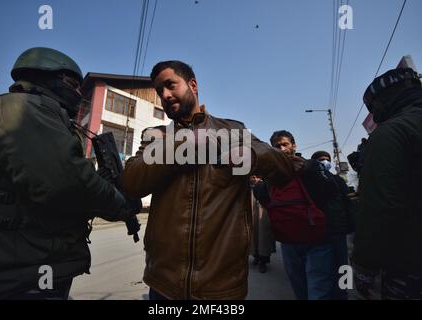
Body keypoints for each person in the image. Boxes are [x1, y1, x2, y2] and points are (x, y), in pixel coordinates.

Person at [121, 60, 298, 299]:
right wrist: (184, 145)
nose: (165, 94)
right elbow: (131, 183)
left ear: (193, 85)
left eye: (170, 85)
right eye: (159, 90)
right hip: (163, 284)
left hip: (222, 286)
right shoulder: (156, 137)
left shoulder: (231, 131)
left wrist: (249, 156)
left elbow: (282, 167)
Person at [0, 47, 140, 299]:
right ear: (44, 76)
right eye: (72, 84)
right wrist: (122, 205)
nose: (77, 93)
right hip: (15, 274)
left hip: (27, 266)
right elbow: (67, 182)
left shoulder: (36, 113)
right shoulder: (23, 109)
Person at [352, 67, 422, 300]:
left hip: (409, 264)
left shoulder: (391, 132)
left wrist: (364, 265)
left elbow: (379, 206)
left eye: (373, 106)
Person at [267, 130, 340, 300]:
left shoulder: (311, 165)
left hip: (317, 240)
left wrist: (308, 170)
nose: (282, 149)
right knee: (300, 289)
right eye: (277, 146)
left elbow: (332, 190)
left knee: (318, 289)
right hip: (289, 242)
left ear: (294, 145)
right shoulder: (273, 173)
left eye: (285, 144)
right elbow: (263, 196)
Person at [311, 150, 353, 300]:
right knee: (322, 269)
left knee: (343, 266)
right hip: (319, 232)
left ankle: (343, 294)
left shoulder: (337, 180)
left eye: (326, 159)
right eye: (320, 160)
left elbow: (347, 202)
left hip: (338, 229)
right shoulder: (311, 182)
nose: (324, 162)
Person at [250, 176, 276, 274]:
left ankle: (263, 260)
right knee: (253, 229)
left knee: (263, 231)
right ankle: (256, 256)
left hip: (264, 194)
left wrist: (260, 179)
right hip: (251, 193)